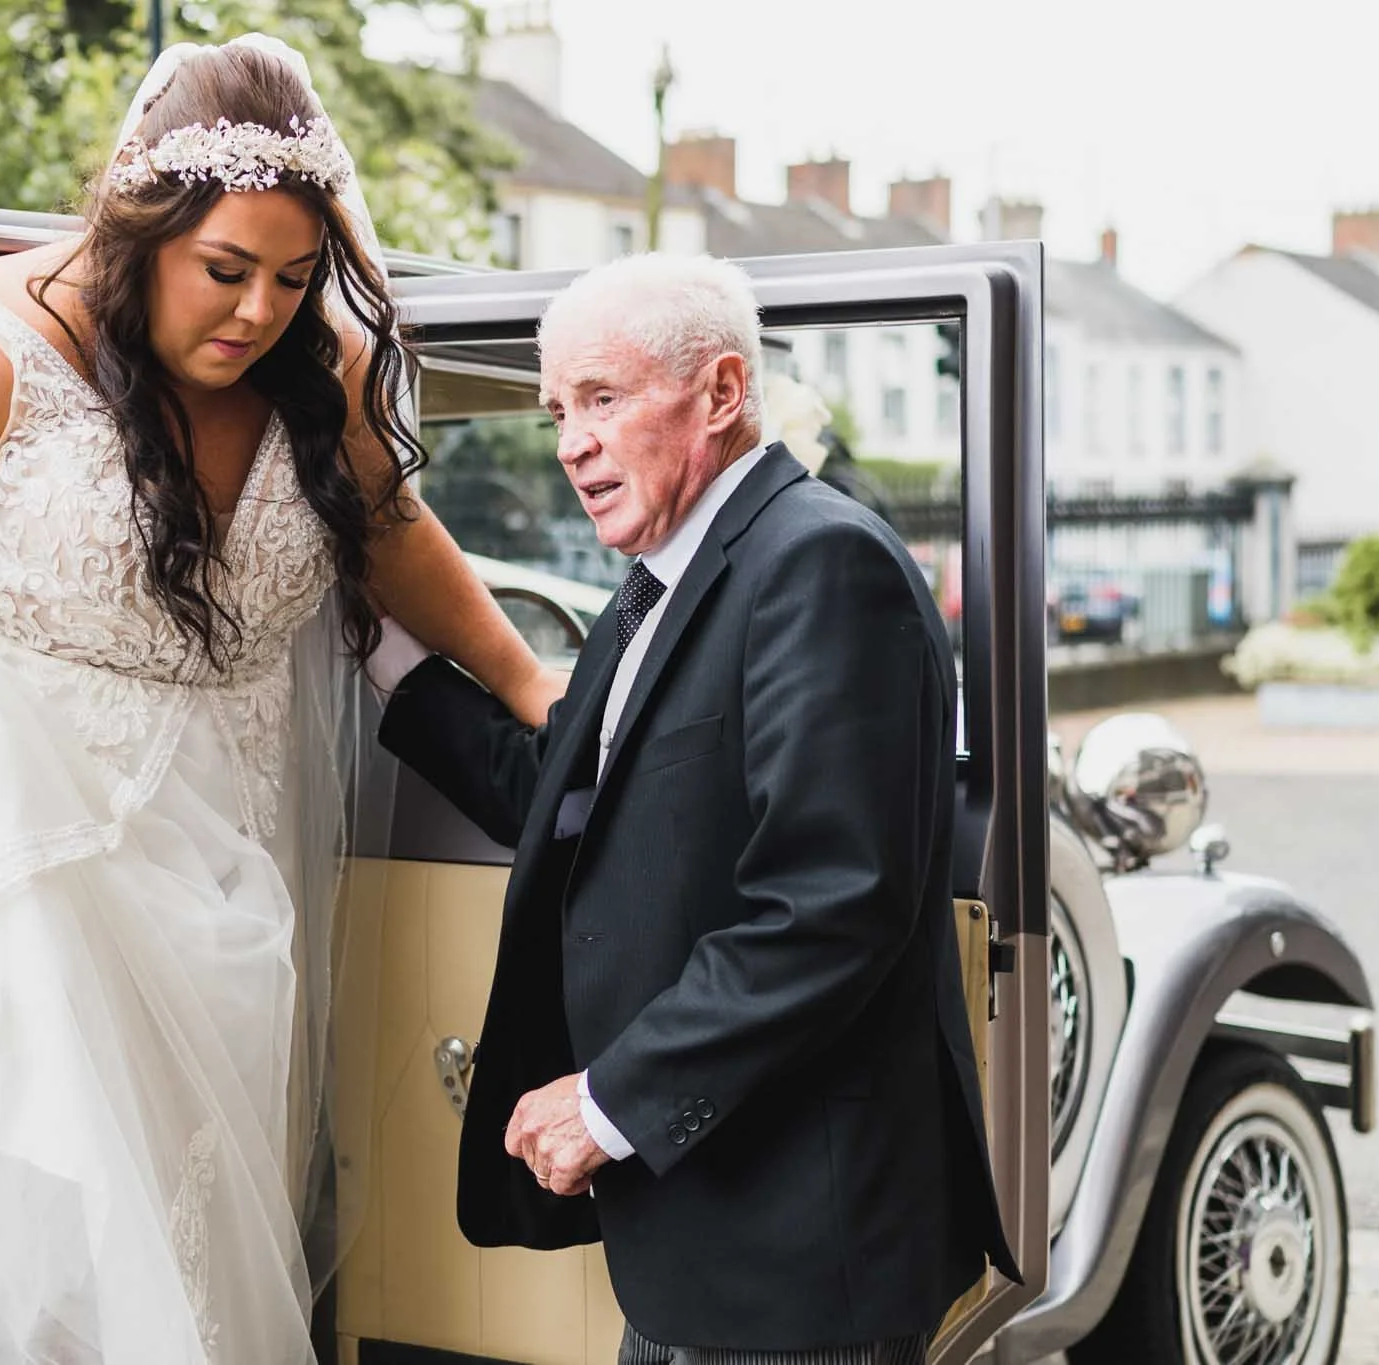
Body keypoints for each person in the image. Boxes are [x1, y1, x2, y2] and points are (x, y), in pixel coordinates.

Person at [0, 35, 560, 1365]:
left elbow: (387, 527)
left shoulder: (313, 379)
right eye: (226, 270)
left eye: (292, 274)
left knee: (188, 1196)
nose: (260, 309)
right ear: (142, 232)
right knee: (38, 1173)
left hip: (214, 837)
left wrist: (523, 677)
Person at [369, 253, 1021, 1364]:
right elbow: (557, 795)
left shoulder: (818, 564)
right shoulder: (659, 582)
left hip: (802, 1258)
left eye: (603, 399)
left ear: (721, 392)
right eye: (557, 410)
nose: (570, 441)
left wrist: (608, 1102)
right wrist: (373, 637)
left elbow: (827, 909)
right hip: (702, 1248)